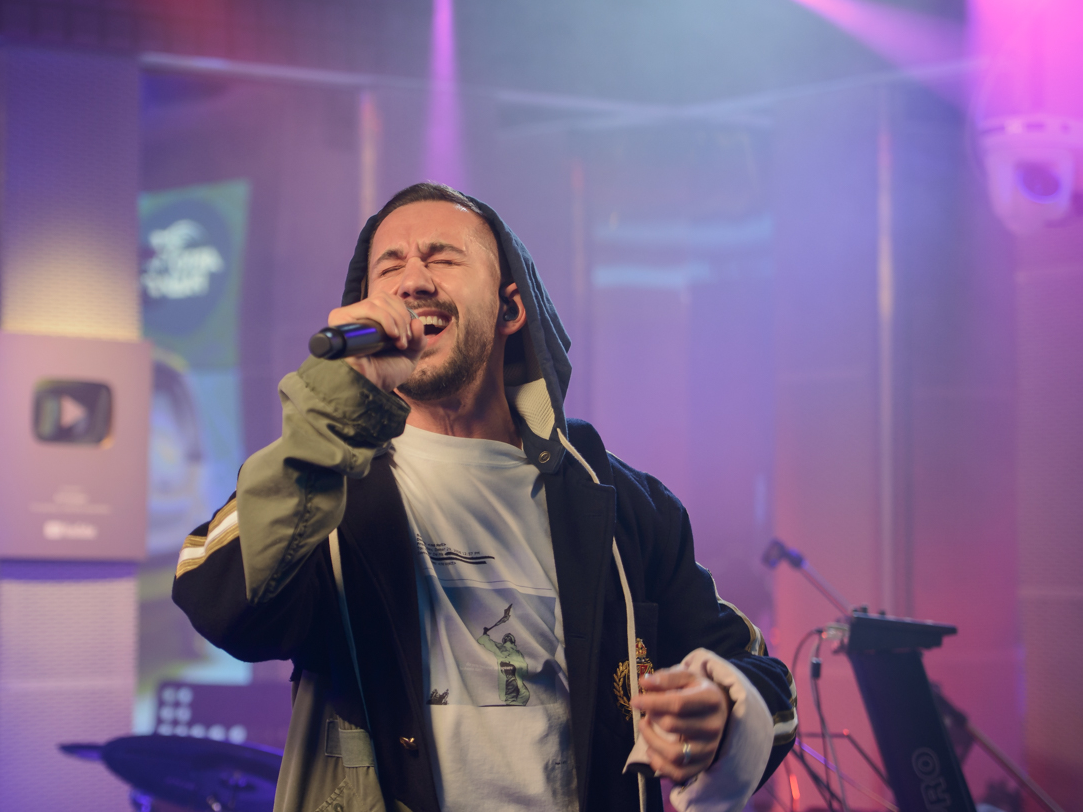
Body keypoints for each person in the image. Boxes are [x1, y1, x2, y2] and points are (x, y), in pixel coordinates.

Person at [173, 183, 797, 812]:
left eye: (442, 257)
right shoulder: (324, 486)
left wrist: (722, 715)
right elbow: (218, 597)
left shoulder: (620, 506)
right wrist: (335, 407)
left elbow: (762, 680)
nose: (412, 281)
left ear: (510, 309)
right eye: (389, 267)